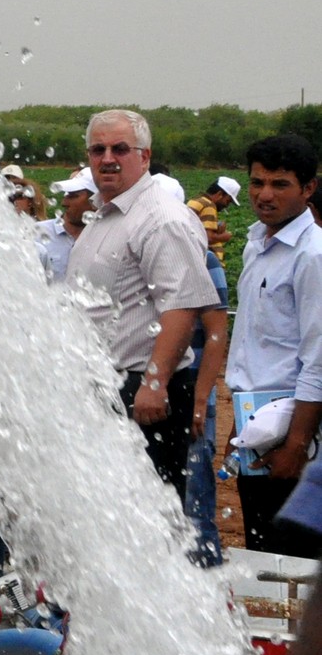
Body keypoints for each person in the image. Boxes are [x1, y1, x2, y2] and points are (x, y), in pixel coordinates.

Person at [66, 110, 221, 497]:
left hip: (144, 393)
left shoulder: (161, 219)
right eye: (97, 149)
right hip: (101, 389)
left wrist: (154, 383)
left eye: (121, 148)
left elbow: (182, 308)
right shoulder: (107, 217)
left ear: (145, 156)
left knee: (148, 517)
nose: (107, 158)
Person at [223, 135, 322, 554]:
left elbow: (318, 358)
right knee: (263, 550)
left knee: (294, 563)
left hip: (293, 434)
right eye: (257, 182)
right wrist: (237, 425)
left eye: (280, 184)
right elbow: (252, 344)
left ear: (308, 188)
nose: (265, 195)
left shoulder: (311, 255)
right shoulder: (256, 245)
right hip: (256, 426)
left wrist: (297, 444)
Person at [36, 169, 95, 285]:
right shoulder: (36, 233)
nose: (64, 203)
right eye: (66, 195)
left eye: (73, 196)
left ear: (96, 201)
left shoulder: (109, 240)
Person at [189, 175, 242, 253]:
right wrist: (224, 237)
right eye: (228, 201)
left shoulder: (196, 200)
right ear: (220, 194)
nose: (226, 205)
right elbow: (208, 238)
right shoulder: (209, 205)